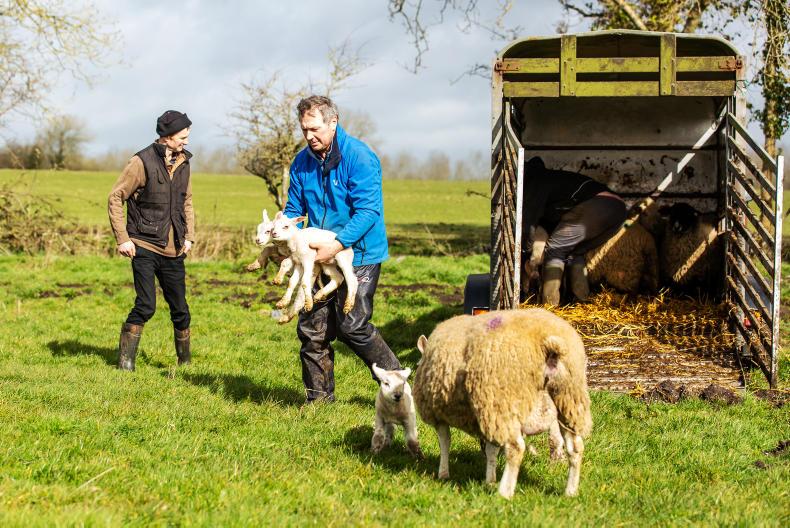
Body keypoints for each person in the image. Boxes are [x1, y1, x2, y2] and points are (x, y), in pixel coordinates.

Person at [283, 95, 401, 404]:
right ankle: (319, 401)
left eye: (315, 129)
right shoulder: (301, 163)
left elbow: (368, 211)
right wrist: (285, 237)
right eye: (304, 129)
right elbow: (294, 210)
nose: (309, 136)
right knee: (312, 330)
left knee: (352, 326)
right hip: (316, 257)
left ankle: (397, 385)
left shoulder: (360, 158)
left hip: (358, 254)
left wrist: (336, 245)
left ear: (333, 123)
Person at [108, 110, 196, 371]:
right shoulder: (140, 162)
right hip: (143, 245)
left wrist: (189, 236)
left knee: (181, 310)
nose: (186, 141)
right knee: (146, 305)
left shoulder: (184, 162)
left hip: (174, 249)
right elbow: (115, 197)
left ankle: (185, 363)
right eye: (182, 137)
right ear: (167, 137)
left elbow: (187, 201)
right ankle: (125, 363)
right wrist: (123, 239)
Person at [521, 156, 626, 305]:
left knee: (555, 249)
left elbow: (528, 226)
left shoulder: (536, 183)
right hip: (618, 210)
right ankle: (581, 300)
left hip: (599, 205)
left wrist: (524, 252)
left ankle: (549, 306)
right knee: (573, 252)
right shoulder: (551, 179)